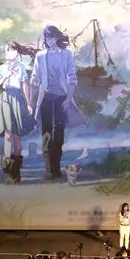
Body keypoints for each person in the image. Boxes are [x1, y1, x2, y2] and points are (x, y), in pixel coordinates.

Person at [30, 24, 86, 180]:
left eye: (51, 36)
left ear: (57, 37)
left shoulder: (67, 54)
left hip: (62, 98)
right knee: (46, 133)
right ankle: (49, 170)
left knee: (59, 133)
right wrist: (32, 91)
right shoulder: (40, 55)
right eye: (46, 37)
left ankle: (56, 167)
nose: (49, 40)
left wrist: (68, 99)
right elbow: (35, 77)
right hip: (46, 98)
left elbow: (72, 78)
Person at [0, 41, 37, 183]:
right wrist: (6, 75)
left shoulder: (21, 67)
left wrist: (29, 103)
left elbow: (25, 85)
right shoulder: (1, 68)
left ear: (17, 52)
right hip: (6, 98)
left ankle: (16, 169)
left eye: (12, 50)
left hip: (18, 99)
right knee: (8, 133)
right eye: (7, 50)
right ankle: (8, 169)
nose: (9, 53)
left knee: (18, 136)